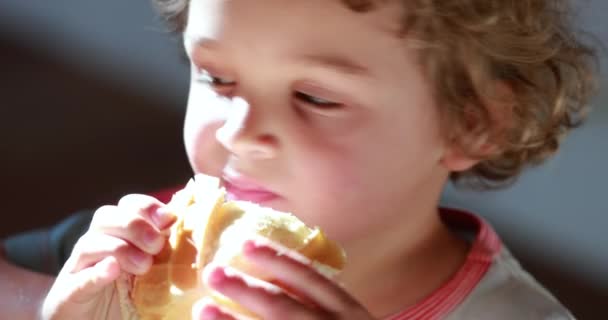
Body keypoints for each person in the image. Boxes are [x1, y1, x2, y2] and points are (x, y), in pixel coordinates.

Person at [3, 0, 598, 319]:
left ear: (473, 121)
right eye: (216, 77)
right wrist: (45, 307)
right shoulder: (139, 255)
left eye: (315, 97)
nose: (243, 132)